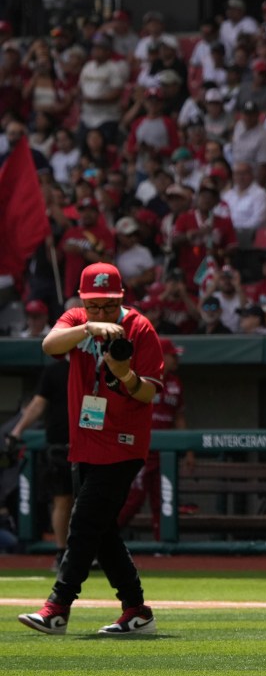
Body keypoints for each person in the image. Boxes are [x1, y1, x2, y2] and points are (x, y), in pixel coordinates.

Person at [18, 263, 163, 636]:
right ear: (83, 300)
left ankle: (57, 607)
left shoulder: (140, 327)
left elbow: (148, 392)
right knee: (102, 530)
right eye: (94, 305)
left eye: (108, 306)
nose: (101, 312)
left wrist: (123, 373)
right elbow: (49, 344)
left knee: (83, 524)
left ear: (121, 299)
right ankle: (137, 610)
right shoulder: (77, 319)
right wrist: (88, 327)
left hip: (124, 442)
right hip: (85, 440)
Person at [117, 337, 195, 540]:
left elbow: (179, 418)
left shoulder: (176, 383)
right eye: (172, 355)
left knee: (162, 500)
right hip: (140, 449)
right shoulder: (140, 377)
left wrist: (188, 451)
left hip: (164, 454)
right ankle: (101, 539)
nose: (176, 359)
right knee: (133, 499)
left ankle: (163, 546)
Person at [5, 358, 70, 569]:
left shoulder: (97, 366)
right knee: (63, 500)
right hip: (61, 443)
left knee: (92, 502)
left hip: (92, 442)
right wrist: (17, 431)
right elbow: (38, 403)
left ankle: (90, 551)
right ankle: (63, 552)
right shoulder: (55, 371)